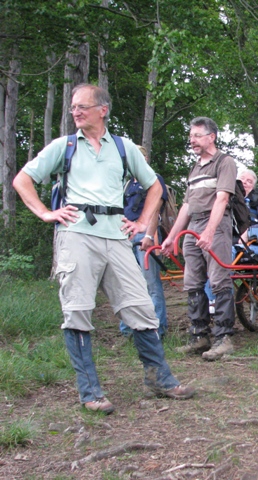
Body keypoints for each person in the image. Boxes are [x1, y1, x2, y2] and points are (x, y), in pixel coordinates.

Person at [13, 84, 194, 414]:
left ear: (103, 110)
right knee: (78, 310)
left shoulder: (124, 148)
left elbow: (155, 185)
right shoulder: (64, 146)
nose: (76, 112)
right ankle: (90, 392)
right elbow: (22, 179)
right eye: (73, 108)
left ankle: (159, 379)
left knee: (141, 308)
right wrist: (46, 212)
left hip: (117, 237)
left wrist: (142, 221)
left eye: (83, 106)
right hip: (76, 235)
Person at [160, 117, 237, 361]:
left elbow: (222, 199)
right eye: (191, 136)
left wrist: (210, 231)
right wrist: (172, 237)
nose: (191, 140)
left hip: (215, 224)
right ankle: (199, 336)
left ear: (211, 137)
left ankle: (224, 338)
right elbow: (186, 205)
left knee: (219, 280)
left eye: (196, 135)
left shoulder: (224, 162)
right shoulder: (194, 168)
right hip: (193, 226)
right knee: (192, 282)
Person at [119, 145, 169, 339]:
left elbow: (156, 210)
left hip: (144, 235)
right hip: (125, 236)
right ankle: (128, 330)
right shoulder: (126, 183)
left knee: (151, 285)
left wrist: (149, 235)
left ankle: (157, 329)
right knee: (126, 285)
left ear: (145, 159)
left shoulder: (154, 179)